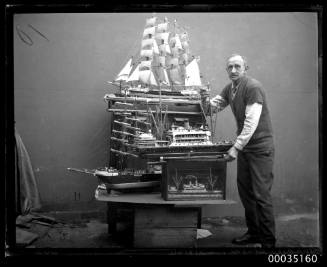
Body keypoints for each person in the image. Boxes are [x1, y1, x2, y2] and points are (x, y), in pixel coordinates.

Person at [209, 54, 276, 248]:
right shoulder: (231, 88)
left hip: (260, 148)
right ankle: (254, 234)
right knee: (246, 192)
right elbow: (215, 106)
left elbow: (251, 123)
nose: (233, 70)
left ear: (246, 67)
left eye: (237, 66)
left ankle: (268, 242)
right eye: (229, 67)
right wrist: (198, 101)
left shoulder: (252, 87)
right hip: (246, 147)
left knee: (261, 194)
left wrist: (235, 148)